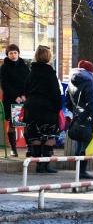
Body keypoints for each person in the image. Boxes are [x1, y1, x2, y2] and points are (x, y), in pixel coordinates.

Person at [23, 46, 62, 174]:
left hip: (32, 108)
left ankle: (37, 165)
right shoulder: (50, 73)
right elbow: (55, 92)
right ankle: (45, 165)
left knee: (35, 136)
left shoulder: (31, 72)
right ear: (48, 57)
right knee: (50, 136)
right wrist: (58, 107)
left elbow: (26, 89)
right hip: (48, 109)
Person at [65, 60, 93, 179]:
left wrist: (76, 113)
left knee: (79, 144)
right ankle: (82, 172)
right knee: (85, 145)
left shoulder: (71, 82)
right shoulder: (89, 83)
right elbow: (91, 104)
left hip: (77, 117)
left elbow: (67, 102)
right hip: (87, 118)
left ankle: (79, 171)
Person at [1, 44, 30, 157]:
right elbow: (4, 84)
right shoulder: (4, 67)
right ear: (7, 55)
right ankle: (13, 149)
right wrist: (15, 96)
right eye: (10, 53)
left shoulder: (24, 65)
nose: (13, 55)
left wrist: (24, 94)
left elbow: (28, 81)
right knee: (13, 124)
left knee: (27, 123)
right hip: (10, 99)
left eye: (15, 53)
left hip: (23, 99)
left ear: (18, 53)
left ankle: (30, 148)